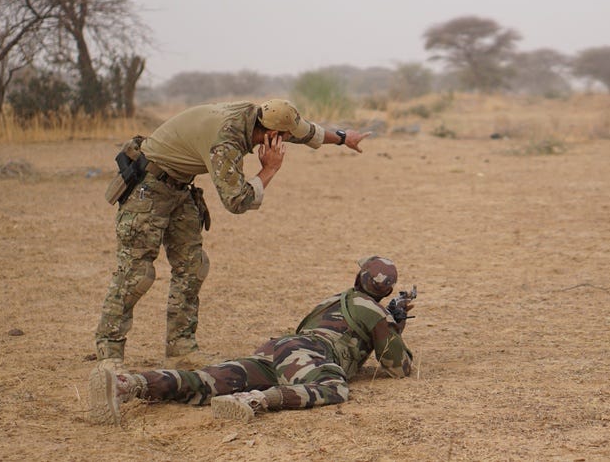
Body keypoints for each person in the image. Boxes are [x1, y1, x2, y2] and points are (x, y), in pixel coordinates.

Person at [94, 99, 370, 369]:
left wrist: (344, 139)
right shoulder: (225, 143)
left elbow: (305, 131)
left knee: (192, 267)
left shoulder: (259, 114)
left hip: (179, 187)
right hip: (149, 187)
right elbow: (237, 201)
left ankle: (181, 350)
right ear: (273, 135)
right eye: (283, 139)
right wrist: (269, 168)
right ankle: (109, 350)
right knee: (136, 273)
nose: (287, 142)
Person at [88, 256, 413, 424]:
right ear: (385, 291)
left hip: (279, 349)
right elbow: (399, 368)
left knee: (206, 380)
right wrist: (393, 324)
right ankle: (254, 400)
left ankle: (126, 384)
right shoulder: (375, 313)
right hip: (308, 354)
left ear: (358, 278)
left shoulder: (333, 299)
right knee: (334, 388)